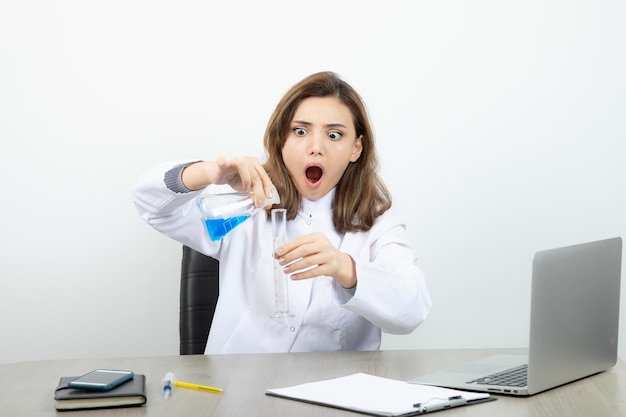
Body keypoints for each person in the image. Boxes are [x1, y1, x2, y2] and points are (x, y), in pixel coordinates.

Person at [133, 71, 431, 354]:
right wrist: (209, 173)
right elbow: (149, 202)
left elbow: (412, 310)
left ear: (356, 148)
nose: (315, 148)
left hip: (333, 395)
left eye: (334, 135)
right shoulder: (243, 202)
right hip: (237, 392)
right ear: (281, 141)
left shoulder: (376, 222)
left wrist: (345, 268)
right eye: (300, 131)